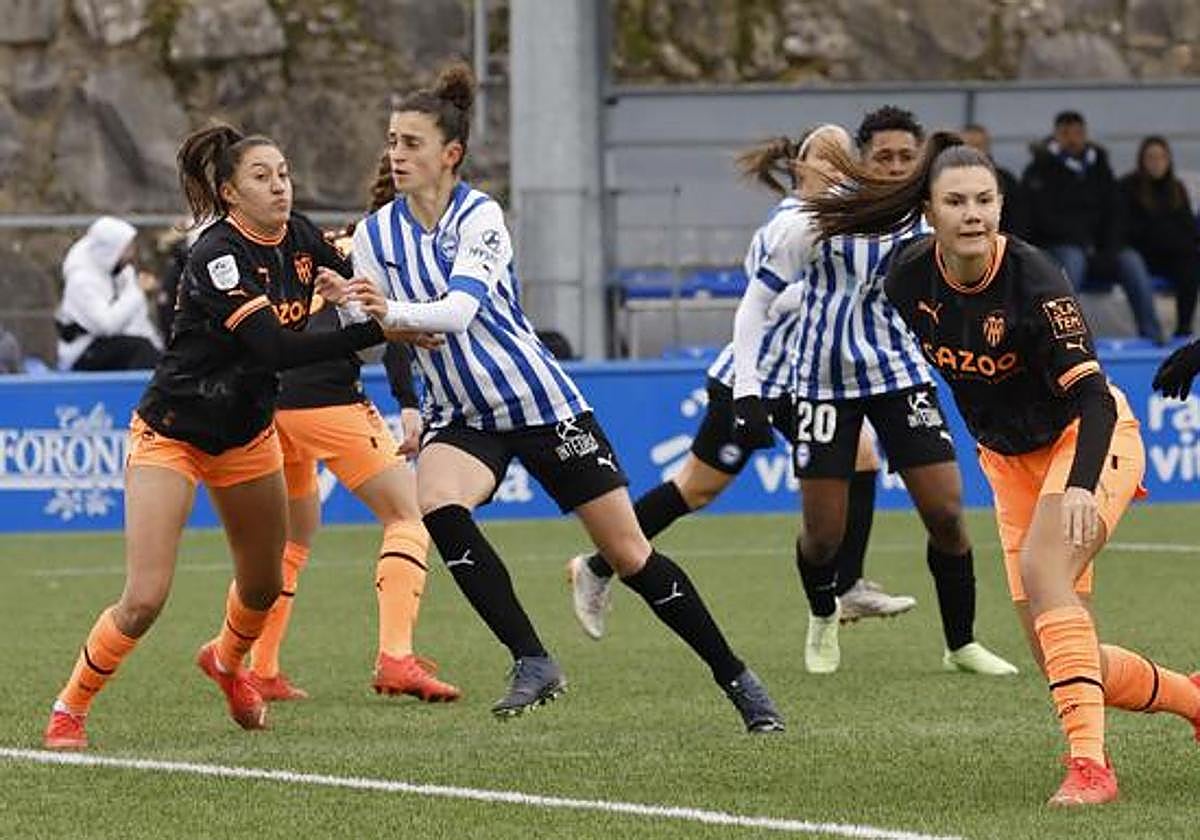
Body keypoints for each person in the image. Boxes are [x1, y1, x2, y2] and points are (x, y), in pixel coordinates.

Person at [322, 61, 783, 732]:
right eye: (392, 141)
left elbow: (457, 312)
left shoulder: (481, 216)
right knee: (438, 505)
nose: (396, 154)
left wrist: (391, 312)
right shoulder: (373, 234)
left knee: (629, 555)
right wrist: (348, 303)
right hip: (463, 414)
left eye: (412, 142)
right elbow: (372, 329)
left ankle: (737, 677)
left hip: (540, 403)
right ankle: (533, 660)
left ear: (450, 154)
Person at [812, 131, 1200, 806]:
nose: (973, 214)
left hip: (1086, 440)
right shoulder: (906, 277)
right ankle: (1193, 700)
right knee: (1063, 657)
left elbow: (1091, 395)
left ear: (1001, 205)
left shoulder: (1036, 281)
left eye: (985, 200)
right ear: (929, 213)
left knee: (1045, 575)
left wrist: (1080, 486)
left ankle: (1090, 769)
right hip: (1007, 461)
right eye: (956, 201)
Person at [42, 124, 392, 749]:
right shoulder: (217, 254)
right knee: (145, 598)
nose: (279, 186)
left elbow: (366, 276)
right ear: (230, 192)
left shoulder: (302, 236)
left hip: (247, 434)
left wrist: (369, 296)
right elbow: (275, 350)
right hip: (173, 431)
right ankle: (70, 707)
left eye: (283, 173)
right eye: (261, 176)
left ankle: (227, 663)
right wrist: (377, 330)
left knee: (263, 585)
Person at [565, 125, 916, 654]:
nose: (838, 168)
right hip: (751, 381)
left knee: (863, 456)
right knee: (696, 489)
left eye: (845, 158)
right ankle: (596, 565)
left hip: (800, 381)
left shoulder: (840, 223)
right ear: (801, 167)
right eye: (826, 158)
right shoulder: (789, 222)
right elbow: (766, 300)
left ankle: (847, 587)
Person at [748, 107, 1015, 677]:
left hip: (900, 376)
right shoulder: (816, 218)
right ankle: (824, 614)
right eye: (883, 157)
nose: (895, 167)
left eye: (906, 157)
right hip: (823, 384)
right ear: (860, 162)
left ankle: (961, 643)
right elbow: (756, 300)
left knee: (947, 513)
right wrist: (748, 388)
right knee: (823, 537)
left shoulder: (930, 217)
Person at [243, 166, 460, 704]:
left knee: (292, 540)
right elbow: (388, 327)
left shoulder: (312, 240)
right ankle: (396, 658)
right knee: (407, 517)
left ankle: (259, 668)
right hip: (327, 399)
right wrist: (408, 403)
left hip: (268, 400)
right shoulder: (380, 248)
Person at [1021, 111, 1163, 343]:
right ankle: (1064, 337)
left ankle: (1153, 335)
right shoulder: (1038, 170)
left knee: (1131, 260)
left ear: (1085, 134)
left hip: (1099, 249)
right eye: (1066, 133)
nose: (1072, 139)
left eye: (1077, 133)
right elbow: (1041, 218)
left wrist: (1109, 248)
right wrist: (1081, 242)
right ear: (1056, 136)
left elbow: (1115, 213)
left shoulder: (1101, 168)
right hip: (1061, 247)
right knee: (1073, 260)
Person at [55, 216, 163, 371]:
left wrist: (158, 350)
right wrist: (138, 291)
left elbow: (138, 319)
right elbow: (107, 325)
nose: (131, 254)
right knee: (139, 349)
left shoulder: (120, 270)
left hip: (113, 343)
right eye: (127, 249)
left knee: (151, 352)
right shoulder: (81, 281)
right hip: (82, 351)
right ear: (111, 251)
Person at [1119, 136, 1200, 338]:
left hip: (1172, 254)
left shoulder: (1177, 188)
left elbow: (1188, 227)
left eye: (1162, 157)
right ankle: (1150, 332)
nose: (1157, 162)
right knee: (1132, 262)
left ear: (1168, 160)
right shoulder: (1128, 187)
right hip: (1142, 254)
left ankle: (1184, 329)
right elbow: (1129, 229)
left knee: (1190, 261)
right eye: (1151, 157)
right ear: (1142, 160)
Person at [960, 123, 1028, 238]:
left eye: (978, 145)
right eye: (968, 146)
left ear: (987, 147)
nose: (973, 151)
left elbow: (1019, 218)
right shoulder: (945, 180)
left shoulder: (1005, 179)